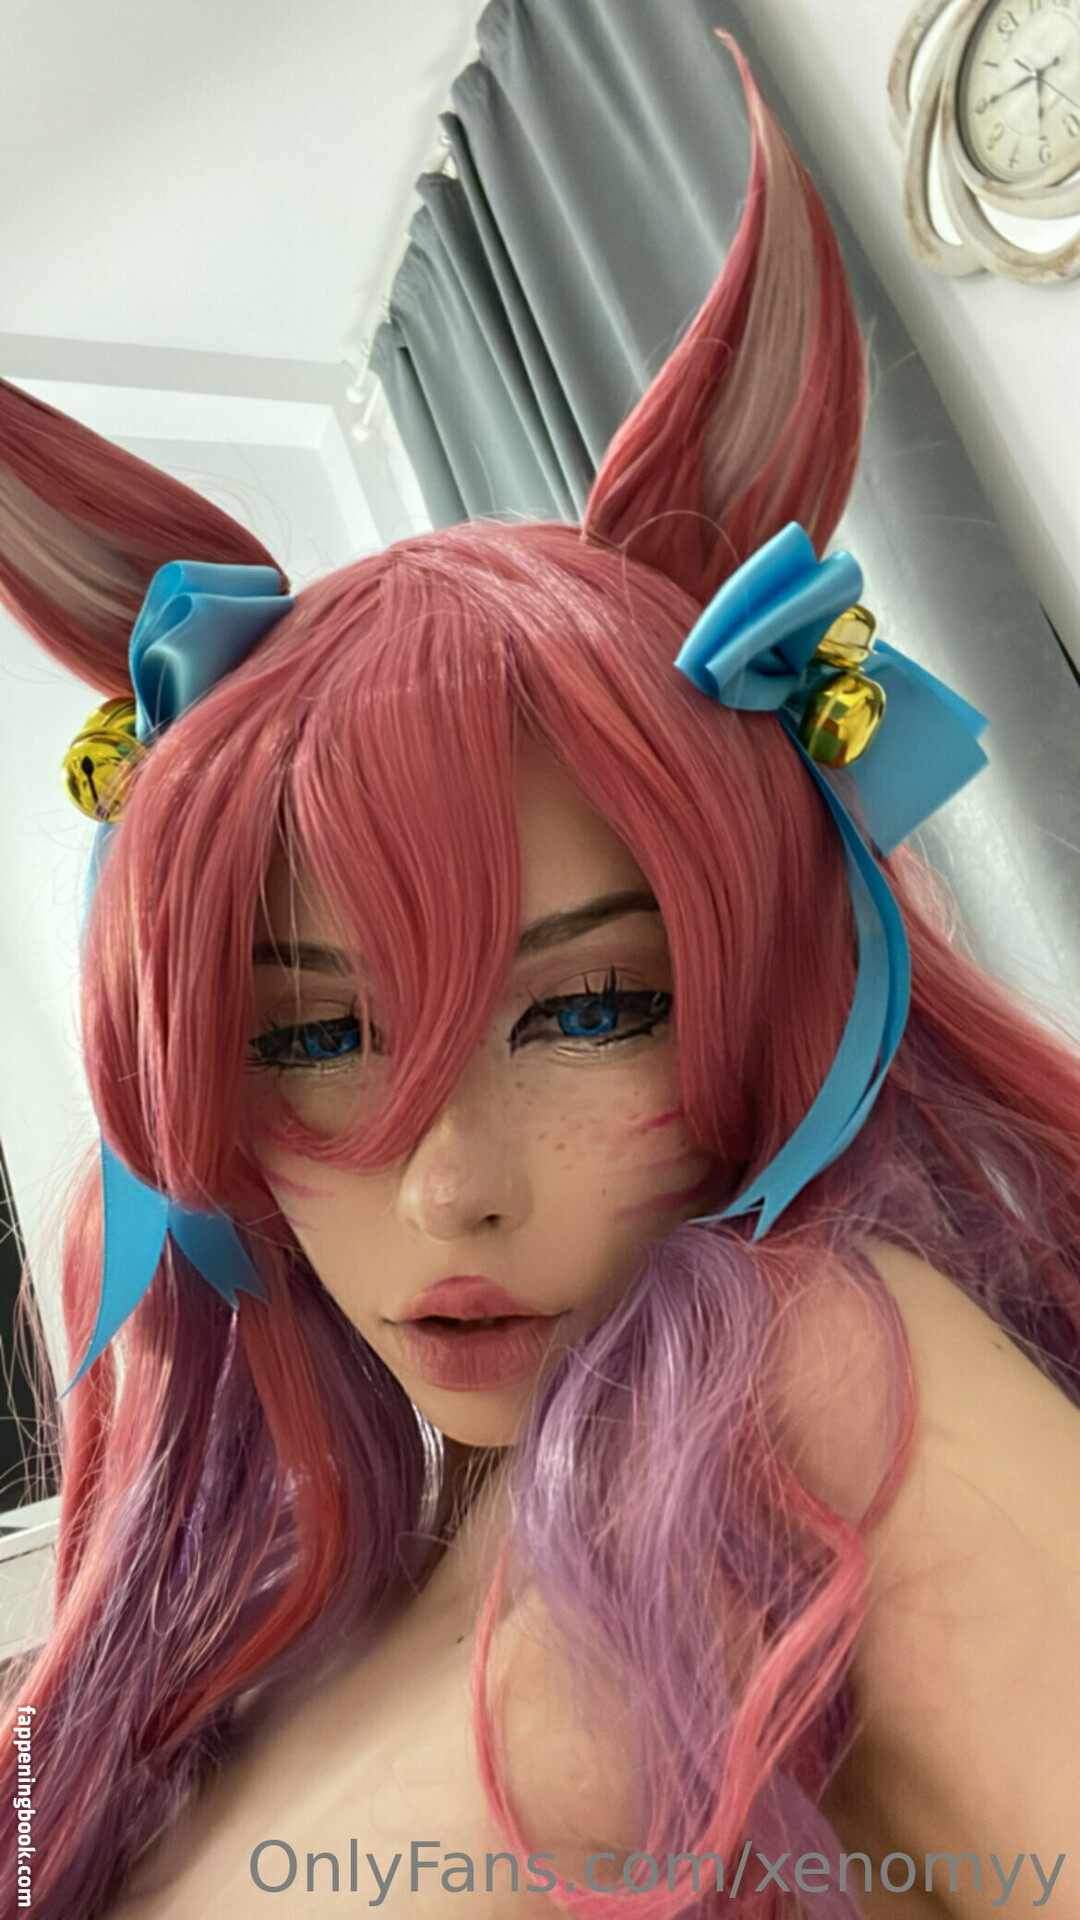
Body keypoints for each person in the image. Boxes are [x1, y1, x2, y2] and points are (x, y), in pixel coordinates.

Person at [2, 35, 1079, 1920]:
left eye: (588, 1010)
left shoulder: (818, 1383)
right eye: (310, 1035)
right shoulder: (295, 1578)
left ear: (774, 984)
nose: (446, 1188)